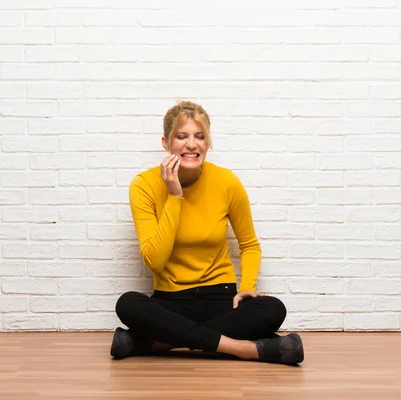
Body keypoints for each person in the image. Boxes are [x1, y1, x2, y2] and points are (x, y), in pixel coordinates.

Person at [111, 100, 304, 366]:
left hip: (221, 298)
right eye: (182, 136)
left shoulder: (226, 182)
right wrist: (175, 196)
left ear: (208, 142)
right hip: (170, 300)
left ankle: (155, 342)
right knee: (128, 304)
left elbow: (249, 244)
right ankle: (246, 349)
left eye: (200, 137)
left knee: (272, 309)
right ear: (166, 142)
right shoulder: (143, 185)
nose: (192, 144)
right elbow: (154, 261)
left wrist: (247, 285)